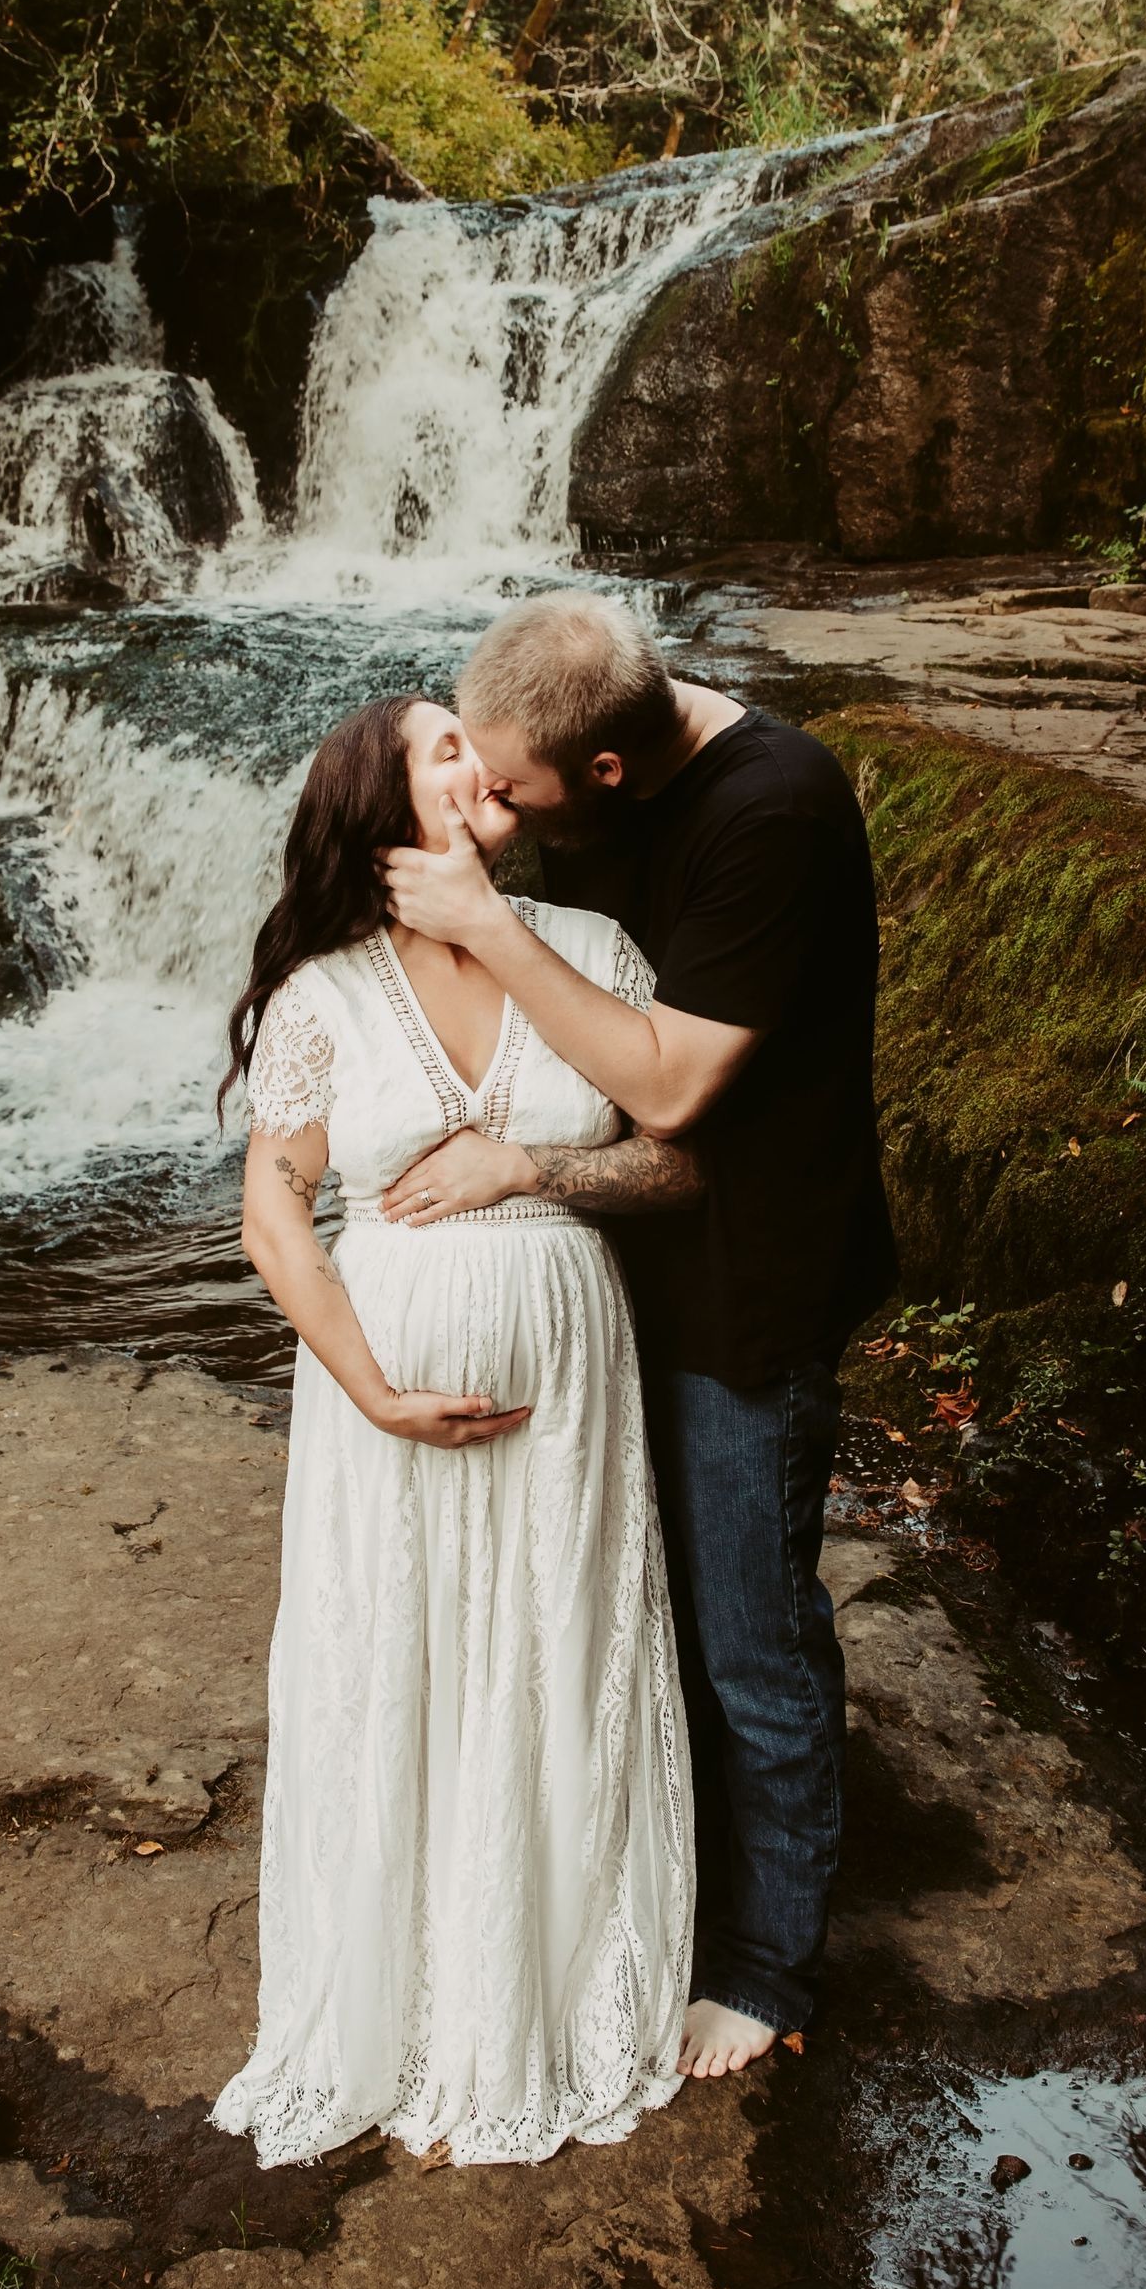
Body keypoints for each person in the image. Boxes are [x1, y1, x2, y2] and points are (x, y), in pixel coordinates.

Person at [379, 593, 896, 2081]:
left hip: (749, 1280)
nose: (499, 802)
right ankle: (657, 1900)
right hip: (614, 1274)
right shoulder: (577, 755)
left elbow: (671, 1088)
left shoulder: (774, 810)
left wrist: (482, 920)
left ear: (603, 773)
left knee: (749, 1641)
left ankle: (765, 1966)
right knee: (634, 1618)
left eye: (517, 790)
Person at [211, 693, 702, 2169]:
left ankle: (547, 1996)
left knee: (560, 1650)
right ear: (383, 808)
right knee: (401, 1663)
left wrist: (527, 1168)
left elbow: (679, 1165)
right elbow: (273, 1213)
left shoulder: (596, 950)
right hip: (385, 1407)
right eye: (442, 744)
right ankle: (402, 2003)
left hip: (570, 1384)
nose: (480, 752)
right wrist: (369, 1387)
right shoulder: (324, 998)